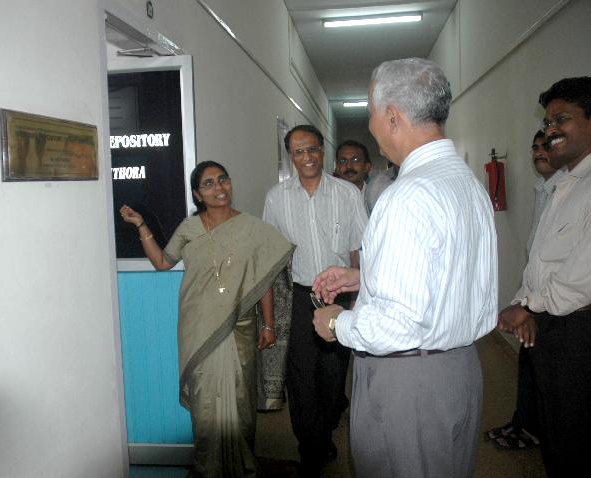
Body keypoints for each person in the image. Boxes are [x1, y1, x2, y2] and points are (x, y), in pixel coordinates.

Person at [311, 58, 497, 478]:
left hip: (409, 378)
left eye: (372, 113)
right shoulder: (466, 183)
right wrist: (366, 277)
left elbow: (398, 325)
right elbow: (449, 271)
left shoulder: (406, 196)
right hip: (459, 368)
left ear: (392, 116)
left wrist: (337, 322)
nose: (371, 125)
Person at [119, 161, 294, 478]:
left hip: (240, 327)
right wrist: (141, 225)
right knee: (205, 402)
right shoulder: (189, 228)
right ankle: (208, 468)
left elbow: (263, 280)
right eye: (209, 183)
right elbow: (162, 262)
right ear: (198, 194)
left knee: (241, 399)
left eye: (223, 180)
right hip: (198, 325)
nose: (219, 188)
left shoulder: (252, 228)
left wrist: (268, 324)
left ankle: (244, 467)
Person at [497, 76, 591, 476]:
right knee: (556, 432)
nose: (551, 130)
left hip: (579, 331)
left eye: (562, 119)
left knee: (574, 438)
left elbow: (581, 277)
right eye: (548, 121)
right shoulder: (564, 183)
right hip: (552, 326)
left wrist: (527, 306)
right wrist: (525, 303)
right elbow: (540, 260)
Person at [263, 124, 367, 476]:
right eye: (298, 151)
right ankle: (310, 448)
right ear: (290, 157)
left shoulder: (347, 194)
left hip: (340, 296)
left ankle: (322, 435)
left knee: (333, 376)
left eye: (312, 149)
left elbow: (358, 248)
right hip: (299, 296)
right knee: (301, 376)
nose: (306, 157)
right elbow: (272, 255)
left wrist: (359, 298)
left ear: (323, 150)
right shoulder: (276, 198)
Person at [486, 131, 562, 450]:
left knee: (546, 374)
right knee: (529, 364)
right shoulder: (544, 188)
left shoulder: (570, 189)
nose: (539, 152)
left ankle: (532, 428)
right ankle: (524, 424)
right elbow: (536, 255)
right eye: (535, 148)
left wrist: (529, 307)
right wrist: (524, 301)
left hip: (556, 304)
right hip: (535, 299)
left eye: (546, 146)